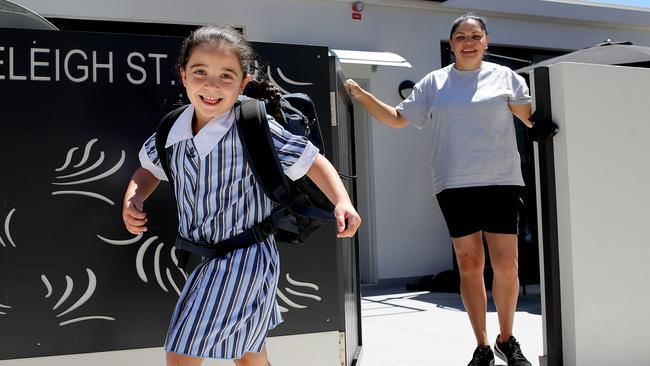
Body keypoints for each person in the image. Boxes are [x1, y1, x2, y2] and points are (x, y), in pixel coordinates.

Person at [122, 24, 361, 366]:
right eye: (200, 72)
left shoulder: (252, 126)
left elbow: (312, 160)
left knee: (182, 352)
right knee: (249, 355)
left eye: (226, 76)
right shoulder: (171, 129)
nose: (211, 85)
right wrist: (134, 197)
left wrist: (342, 200)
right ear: (183, 74)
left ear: (243, 83)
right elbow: (147, 170)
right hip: (207, 260)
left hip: (245, 257)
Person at [346, 13, 533, 366]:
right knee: (469, 263)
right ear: (452, 44)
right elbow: (398, 119)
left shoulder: (506, 77)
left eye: (475, 35)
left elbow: (530, 117)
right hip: (454, 182)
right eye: (461, 36)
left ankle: (506, 340)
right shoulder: (435, 82)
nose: (468, 41)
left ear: (486, 41)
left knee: (507, 264)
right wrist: (361, 94)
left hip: (501, 180)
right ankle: (481, 346)